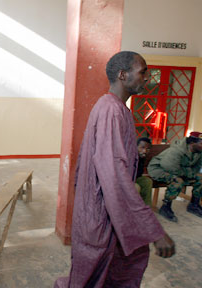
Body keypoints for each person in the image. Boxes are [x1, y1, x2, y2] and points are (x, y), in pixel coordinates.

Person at [54, 51, 175, 288]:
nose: (147, 78)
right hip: (102, 214)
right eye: (142, 72)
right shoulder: (111, 110)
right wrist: (154, 231)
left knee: (112, 271)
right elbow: (115, 178)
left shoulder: (116, 108)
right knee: (91, 277)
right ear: (123, 74)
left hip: (103, 211)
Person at [148, 132, 202, 222]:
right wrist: (189, 173)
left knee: (201, 178)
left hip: (181, 170)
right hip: (160, 169)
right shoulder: (177, 150)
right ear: (192, 143)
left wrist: (191, 173)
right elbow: (170, 168)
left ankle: (194, 205)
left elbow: (198, 166)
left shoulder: (199, 151)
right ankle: (166, 207)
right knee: (178, 181)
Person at [135, 137, 153, 206]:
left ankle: (147, 209)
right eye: (142, 148)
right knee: (136, 187)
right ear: (136, 147)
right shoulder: (130, 155)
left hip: (135, 178)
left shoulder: (142, 157)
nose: (145, 151)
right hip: (124, 181)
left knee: (147, 181)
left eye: (147, 149)